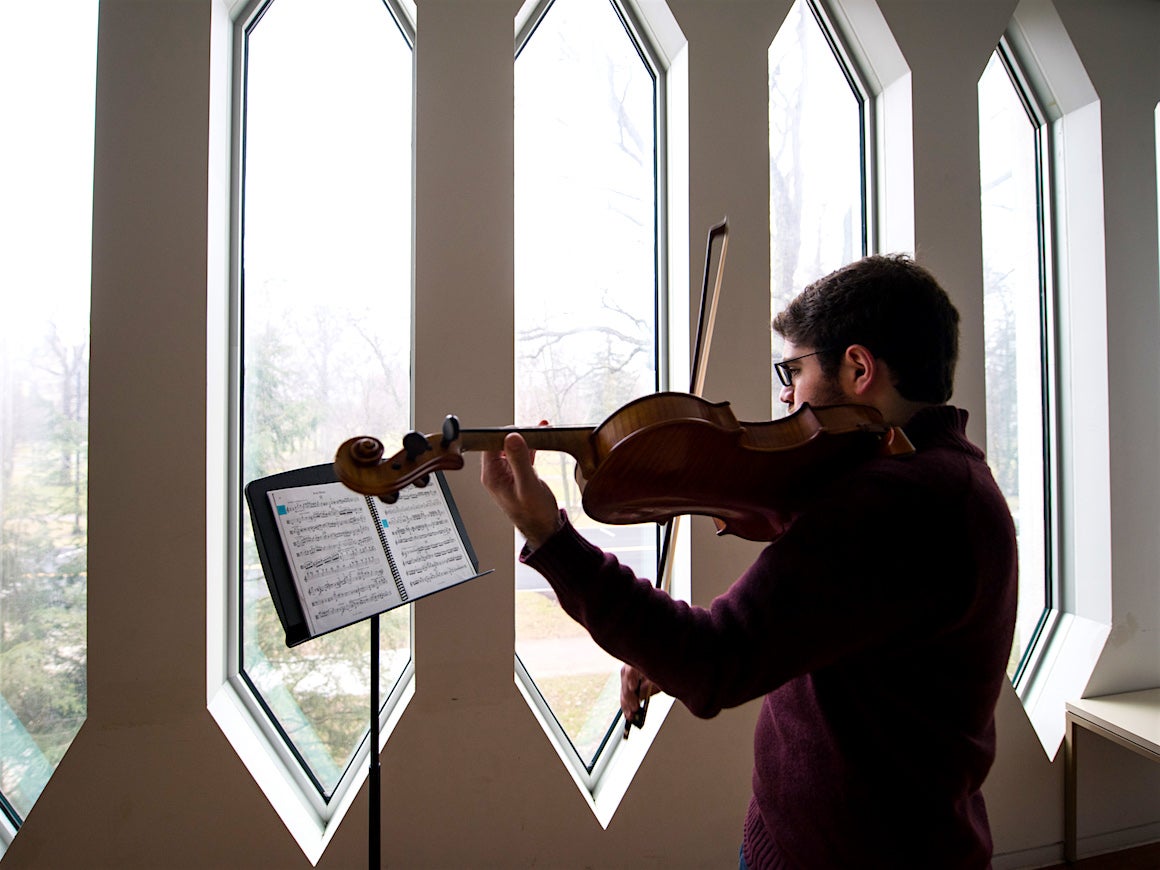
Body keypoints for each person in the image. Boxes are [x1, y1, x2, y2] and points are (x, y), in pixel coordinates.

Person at [480, 254, 1018, 869]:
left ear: (859, 368)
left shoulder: (896, 503)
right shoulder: (948, 479)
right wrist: (668, 655)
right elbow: (816, 632)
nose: (786, 395)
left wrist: (550, 537)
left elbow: (715, 661)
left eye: (794, 370)